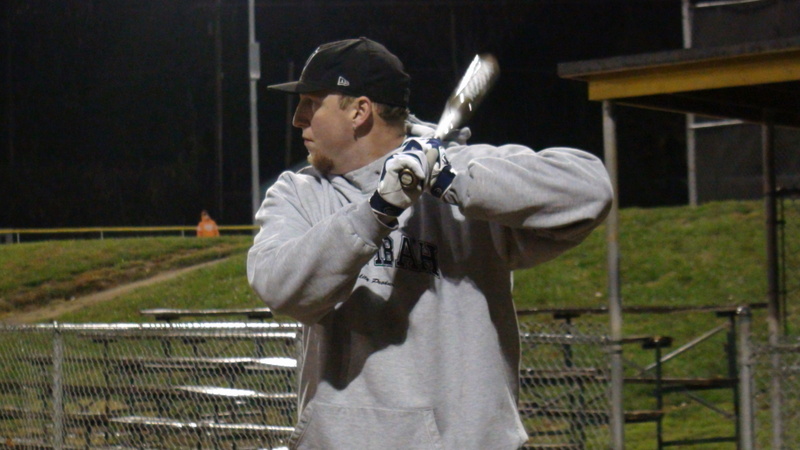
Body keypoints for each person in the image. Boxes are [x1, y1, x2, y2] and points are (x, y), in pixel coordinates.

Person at [247, 37, 613, 449]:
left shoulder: (465, 168)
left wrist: (450, 179)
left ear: (359, 111)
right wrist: (377, 211)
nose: (298, 119)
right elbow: (280, 288)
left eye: (312, 103)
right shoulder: (299, 193)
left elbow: (591, 191)